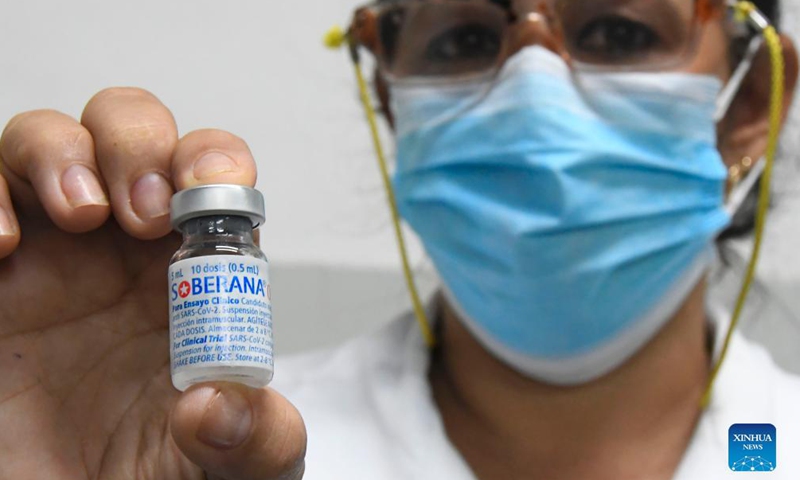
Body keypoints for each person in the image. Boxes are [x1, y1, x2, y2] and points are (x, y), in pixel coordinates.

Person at [0, 0, 797, 479]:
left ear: (749, 101)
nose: (533, 92)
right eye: (463, 38)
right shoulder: (200, 444)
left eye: (618, 30)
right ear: (390, 95)